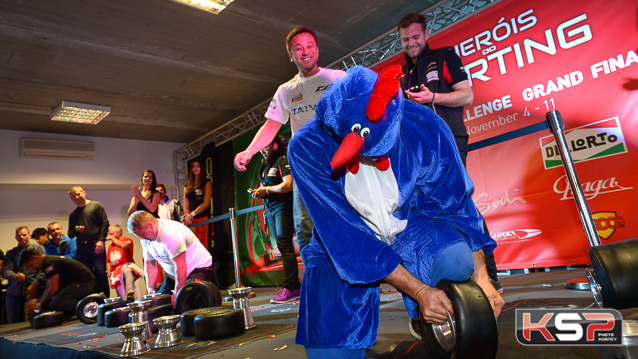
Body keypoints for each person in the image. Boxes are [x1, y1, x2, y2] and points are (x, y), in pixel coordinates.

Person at [287, 65, 504, 357]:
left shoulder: (426, 124)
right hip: (340, 243)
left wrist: (482, 277)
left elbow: (458, 205)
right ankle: (415, 300)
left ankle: (422, 317)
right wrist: (420, 290)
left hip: (406, 222)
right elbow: (347, 240)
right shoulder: (306, 146)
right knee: (331, 353)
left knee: (457, 262)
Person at [397, 13, 502, 300]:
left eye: (416, 37)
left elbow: (466, 95)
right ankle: (450, 273)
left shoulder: (444, 56)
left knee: (459, 203)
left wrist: (433, 98)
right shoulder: (403, 74)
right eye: (406, 39)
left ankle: (488, 276)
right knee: (429, 207)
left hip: (450, 141)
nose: (411, 43)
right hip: (420, 153)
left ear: (426, 33)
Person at [233, 26, 347, 265]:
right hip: (305, 168)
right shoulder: (285, 91)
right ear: (291, 55)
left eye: (309, 46)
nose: (305, 52)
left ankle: (357, 278)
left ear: (317, 49)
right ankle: (315, 281)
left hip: (340, 164)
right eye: (298, 48)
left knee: (345, 220)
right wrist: (249, 151)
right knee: (305, 228)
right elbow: (271, 127)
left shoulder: (337, 78)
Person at [249, 135, 300, 304]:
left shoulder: (281, 159)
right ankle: (296, 286)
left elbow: (288, 184)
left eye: (266, 147)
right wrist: (259, 192)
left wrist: (268, 190)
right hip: (270, 208)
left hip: (283, 206)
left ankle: (289, 287)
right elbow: (266, 186)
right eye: (261, 148)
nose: (263, 151)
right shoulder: (264, 164)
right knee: (281, 244)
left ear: (275, 145)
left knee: (285, 244)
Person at [127, 210, 213, 303]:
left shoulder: (171, 234)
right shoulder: (145, 238)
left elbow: (181, 267)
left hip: (199, 269)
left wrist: (177, 293)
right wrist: (150, 290)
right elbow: (150, 264)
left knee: (187, 300)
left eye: (142, 234)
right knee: (157, 303)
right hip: (174, 276)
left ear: (150, 225)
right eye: (139, 236)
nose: (141, 238)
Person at [20, 249, 95, 317]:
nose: (31, 269)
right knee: (50, 305)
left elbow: (53, 288)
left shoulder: (50, 262)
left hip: (84, 283)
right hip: (77, 284)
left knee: (56, 304)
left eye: (31, 265)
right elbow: (48, 287)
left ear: (36, 258)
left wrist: (39, 305)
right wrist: (40, 302)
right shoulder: (47, 263)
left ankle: (93, 305)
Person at [68, 186, 110, 296]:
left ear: (84, 193)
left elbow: (105, 223)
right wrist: (76, 230)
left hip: (96, 244)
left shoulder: (96, 206)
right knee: (87, 274)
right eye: (74, 196)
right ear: (71, 199)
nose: (77, 197)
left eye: (78, 194)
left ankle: (105, 296)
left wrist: (101, 240)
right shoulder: (73, 214)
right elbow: (70, 234)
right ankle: (92, 296)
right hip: (82, 247)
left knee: (100, 272)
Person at [4, 226, 46, 323]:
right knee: (12, 321)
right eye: (19, 235)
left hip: (34, 289)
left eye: (24, 235)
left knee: (35, 320)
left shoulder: (39, 249)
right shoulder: (11, 253)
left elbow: (43, 269)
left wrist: (34, 284)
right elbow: (7, 271)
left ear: (29, 235)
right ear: (16, 238)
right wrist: (15, 276)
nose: (22, 237)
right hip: (15, 290)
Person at [106, 224, 143, 301]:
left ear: (119, 232)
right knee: (121, 295)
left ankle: (130, 294)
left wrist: (112, 239)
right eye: (109, 234)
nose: (110, 236)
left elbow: (124, 246)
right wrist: (109, 272)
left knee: (128, 271)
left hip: (127, 266)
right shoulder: (111, 246)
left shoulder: (127, 240)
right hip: (116, 271)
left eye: (112, 234)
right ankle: (122, 300)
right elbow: (108, 260)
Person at [183, 159, 213, 249]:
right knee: (192, 246)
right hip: (191, 220)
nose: (195, 168)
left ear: (202, 168)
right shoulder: (187, 185)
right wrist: (189, 219)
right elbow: (185, 205)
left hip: (203, 219)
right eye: (193, 166)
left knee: (204, 246)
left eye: (198, 166)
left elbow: (206, 203)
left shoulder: (206, 183)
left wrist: (192, 214)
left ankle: (208, 263)